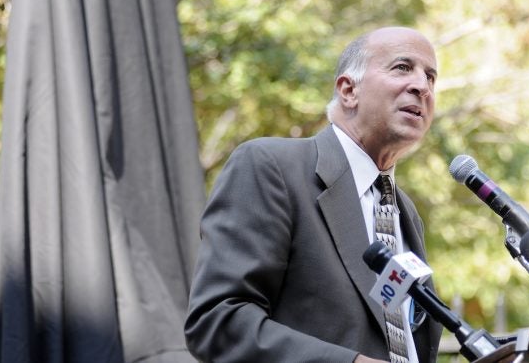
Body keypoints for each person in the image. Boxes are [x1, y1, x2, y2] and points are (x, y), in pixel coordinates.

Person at [185, 26, 444, 362]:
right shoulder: (271, 167)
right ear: (349, 90)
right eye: (402, 68)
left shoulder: (403, 211)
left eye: (431, 77)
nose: (422, 86)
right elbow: (217, 321)